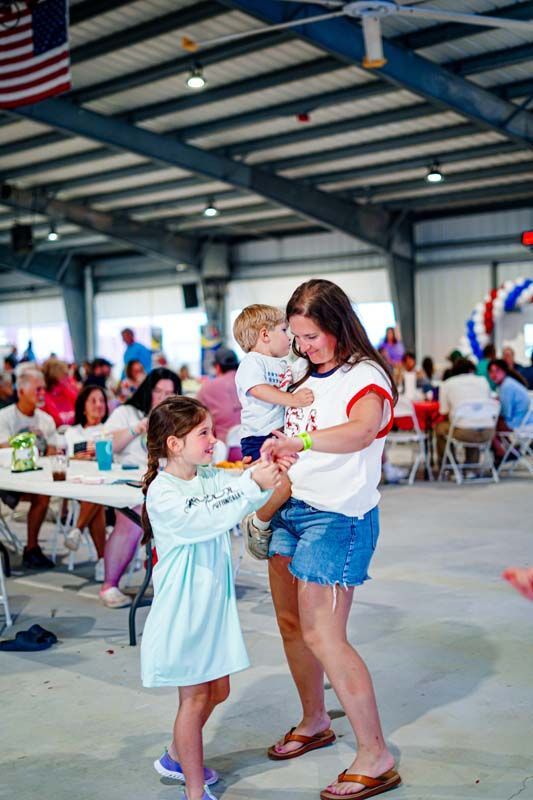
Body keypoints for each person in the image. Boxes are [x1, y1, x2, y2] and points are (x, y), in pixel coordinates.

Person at [258, 280, 401, 800]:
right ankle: (315, 720)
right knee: (292, 624)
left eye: (312, 336)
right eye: (297, 337)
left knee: (324, 634)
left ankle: (375, 754)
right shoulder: (300, 371)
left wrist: (302, 439)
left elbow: (362, 432)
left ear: (338, 326)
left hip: (338, 518)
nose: (304, 346)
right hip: (292, 508)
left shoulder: (366, 377)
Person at [141, 396, 290, 800]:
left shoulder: (206, 475)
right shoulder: (162, 492)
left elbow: (240, 496)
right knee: (194, 699)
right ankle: (193, 789)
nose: (213, 440)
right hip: (184, 611)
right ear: (174, 444)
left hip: (212, 607)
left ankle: (176, 755)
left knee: (218, 691)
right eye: (203, 433)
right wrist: (247, 485)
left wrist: (267, 471)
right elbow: (203, 517)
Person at [98, 368, 181, 607]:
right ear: (148, 390)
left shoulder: (178, 420)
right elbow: (106, 445)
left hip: (168, 484)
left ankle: (170, 580)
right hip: (128, 484)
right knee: (134, 515)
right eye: (158, 391)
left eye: (170, 393)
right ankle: (109, 585)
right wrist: (141, 426)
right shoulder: (126, 412)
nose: (163, 397)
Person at [0, 369, 56, 569]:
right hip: (6, 479)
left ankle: (31, 548)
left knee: (43, 494)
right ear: (21, 392)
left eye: (43, 389)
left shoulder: (46, 420)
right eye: (37, 389)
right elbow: (3, 448)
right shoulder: (5, 417)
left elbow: (53, 451)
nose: (42, 394)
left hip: (36, 480)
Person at [63, 385, 111, 581]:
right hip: (78, 485)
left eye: (102, 401)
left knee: (97, 493)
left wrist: (83, 455)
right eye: (93, 401)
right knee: (95, 495)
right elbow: (70, 458)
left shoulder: (110, 429)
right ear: (83, 407)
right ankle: (102, 560)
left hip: (107, 486)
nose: (99, 405)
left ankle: (78, 530)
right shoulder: (72, 432)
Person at [435, 358, 492, 465]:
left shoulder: (447, 384)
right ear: (471, 370)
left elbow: (443, 412)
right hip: (488, 431)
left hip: (464, 433)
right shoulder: (483, 381)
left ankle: (449, 465)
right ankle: (472, 467)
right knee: (474, 421)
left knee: (440, 428)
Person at [488, 358, 533, 462]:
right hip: (526, 421)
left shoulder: (506, 386)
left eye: (497, 371)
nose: (494, 374)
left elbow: (505, 413)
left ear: (504, 371)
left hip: (520, 423)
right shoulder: (510, 382)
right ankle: (510, 450)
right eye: (491, 371)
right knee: (493, 423)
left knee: (489, 425)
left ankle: (501, 451)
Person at [196, 348, 241, 443]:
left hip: (221, 448)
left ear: (217, 367)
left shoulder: (207, 388)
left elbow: (195, 416)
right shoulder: (251, 384)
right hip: (253, 446)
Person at [41, 357, 79, 427]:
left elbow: (80, 405)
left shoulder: (68, 390)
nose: (67, 378)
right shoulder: (43, 397)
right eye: (64, 375)